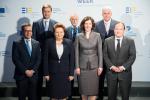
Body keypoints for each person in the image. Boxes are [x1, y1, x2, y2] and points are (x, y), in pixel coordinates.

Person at [103, 22, 136, 100]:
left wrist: (123, 67)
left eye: (120, 29)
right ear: (114, 30)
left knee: (125, 96)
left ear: (124, 30)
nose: (118, 31)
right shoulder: (107, 41)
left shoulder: (130, 41)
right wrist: (111, 66)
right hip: (111, 73)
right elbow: (105, 55)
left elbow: (132, 56)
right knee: (111, 97)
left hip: (125, 73)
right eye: (116, 29)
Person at [32, 4, 57, 100]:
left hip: (51, 57)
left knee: (50, 80)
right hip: (39, 57)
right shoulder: (36, 23)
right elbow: (33, 40)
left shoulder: (55, 24)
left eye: (48, 11)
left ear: (51, 12)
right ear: (42, 12)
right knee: (38, 80)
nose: (46, 13)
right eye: (44, 11)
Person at [43, 23, 74, 100]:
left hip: (65, 74)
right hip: (52, 74)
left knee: (64, 95)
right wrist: (46, 73)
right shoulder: (48, 42)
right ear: (54, 33)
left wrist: (71, 74)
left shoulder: (69, 42)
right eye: (57, 32)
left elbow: (72, 59)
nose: (59, 34)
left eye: (61, 32)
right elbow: (45, 59)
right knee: (53, 95)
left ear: (64, 33)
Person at [75, 16, 103, 100]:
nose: (87, 25)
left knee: (93, 90)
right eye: (86, 23)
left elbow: (100, 52)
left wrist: (100, 66)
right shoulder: (78, 36)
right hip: (82, 67)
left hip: (94, 67)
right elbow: (76, 52)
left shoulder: (97, 35)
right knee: (83, 91)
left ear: (92, 25)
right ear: (83, 25)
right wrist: (77, 67)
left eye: (89, 23)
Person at [12, 23, 41, 100]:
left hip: (33, 76)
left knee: (33, 97)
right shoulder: (16, 43)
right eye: (26, 31)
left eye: (30, 31)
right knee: (21, 97)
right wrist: (25, 71)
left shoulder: (37, 43)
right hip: (21, 76)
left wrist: (33, 70)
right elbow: (15, 59)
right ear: (22, 31)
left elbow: (38, 59)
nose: (29, 33)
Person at [95, 6, 118, 100]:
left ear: (111, 14)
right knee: (99, 81)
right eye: (104, 13)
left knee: (112, 81)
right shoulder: (96, 25)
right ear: (102, 14)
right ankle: (100, 97)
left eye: (108, 13)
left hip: (113, 58)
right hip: (100, 58)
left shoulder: (117, 24)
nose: (106, 15)